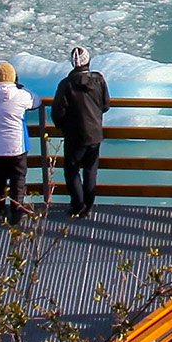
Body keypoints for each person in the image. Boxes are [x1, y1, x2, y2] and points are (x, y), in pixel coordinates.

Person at [51, 45, 109, 221]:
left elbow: (58, 112)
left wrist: (63, 126)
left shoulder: (66, 85)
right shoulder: (98, 80)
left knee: (71, 170)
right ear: (88, 61)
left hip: (74, 134)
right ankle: (88, 205)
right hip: (94, 133)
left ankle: (78, 205)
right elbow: (105, 105)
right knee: (91, 170)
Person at [0, 60, 37, 226]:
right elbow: (36, 101)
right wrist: (21, 87)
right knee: (18, 179)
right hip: (16, 145)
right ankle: (16, 213)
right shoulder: (21, 95)